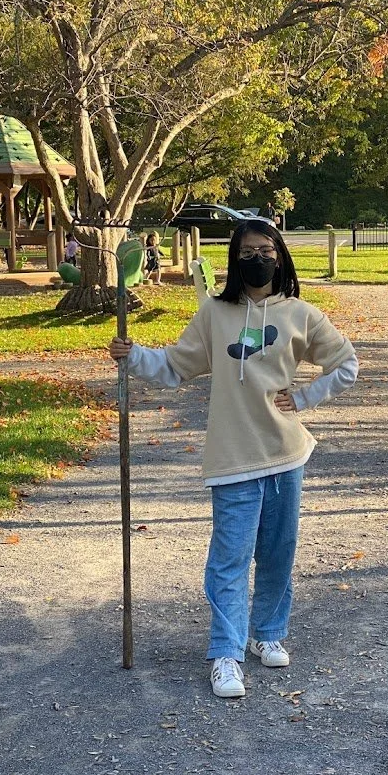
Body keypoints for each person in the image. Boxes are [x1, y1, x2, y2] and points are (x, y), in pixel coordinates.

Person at [107, 218, 358, 699]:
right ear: (234, 260)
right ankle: (226, 652)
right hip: (232, 458)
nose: (257, 259)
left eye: (265, 250)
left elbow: (346, 363)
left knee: (278, 554)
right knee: (229, 558)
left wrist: (304, 400)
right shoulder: (214, 315)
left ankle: (267, 634)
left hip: (286, 454)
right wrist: (132, 355)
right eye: (247, 252)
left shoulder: (300, 314)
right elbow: (175, 368)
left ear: (280, 255)